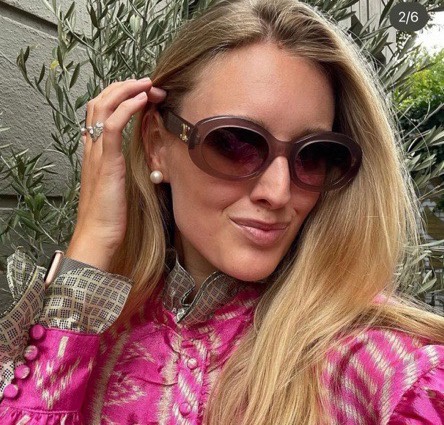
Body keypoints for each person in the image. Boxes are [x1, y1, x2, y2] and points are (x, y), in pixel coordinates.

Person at [1, 0, 443, 423]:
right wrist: (91, 245)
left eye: (314, 155)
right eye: (235, 143)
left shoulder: (388, 370)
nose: (278, 192)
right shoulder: (89, 331)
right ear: (157, 145)